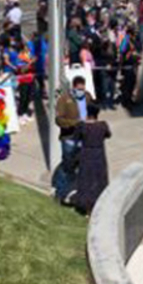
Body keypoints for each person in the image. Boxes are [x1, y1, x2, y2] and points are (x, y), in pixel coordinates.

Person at [53, 74, 90, 204]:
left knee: (80, 166)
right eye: (79, 89)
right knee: (67, 166)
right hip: (69, 138)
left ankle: (75, 191)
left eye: (83, 89)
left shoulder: (87, 97)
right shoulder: (64, 100)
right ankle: (60, 193)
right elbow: (59, 119)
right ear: (74, 88)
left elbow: (92, 111)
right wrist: (74, 123)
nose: (82, 91)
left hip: (83, 138)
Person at [72, 102, 112, 215]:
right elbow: (108, 135)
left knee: (86, 179)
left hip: (86, 154)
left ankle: (85, 205)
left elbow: (75, 137)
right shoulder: (103, 125)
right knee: (99, 179)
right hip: (99, 154)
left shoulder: (82, 126)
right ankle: (99, 204)